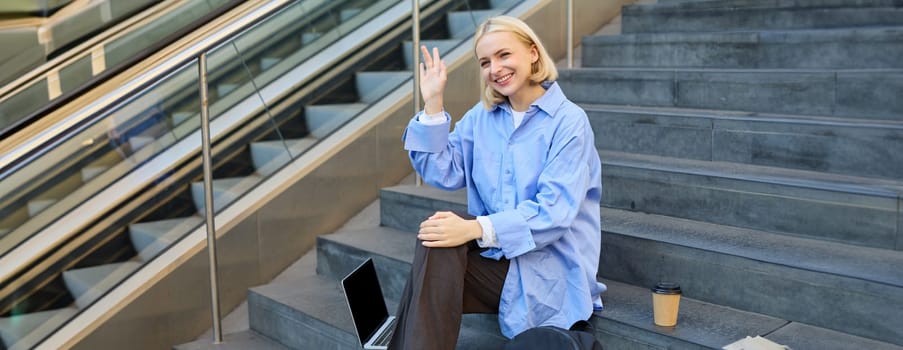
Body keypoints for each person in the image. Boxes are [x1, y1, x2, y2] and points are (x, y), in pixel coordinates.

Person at [389, 15, 605, 350]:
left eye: (504, 55)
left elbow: (554, 214)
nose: (495, 69)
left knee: (446, 242)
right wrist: (433, 103)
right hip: (499, 263)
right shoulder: (482, 117)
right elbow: (442, 172)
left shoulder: (569, 122)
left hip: (549, 272)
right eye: (485, 62)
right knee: (438, 235)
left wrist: (475, 229)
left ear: (533, 53)